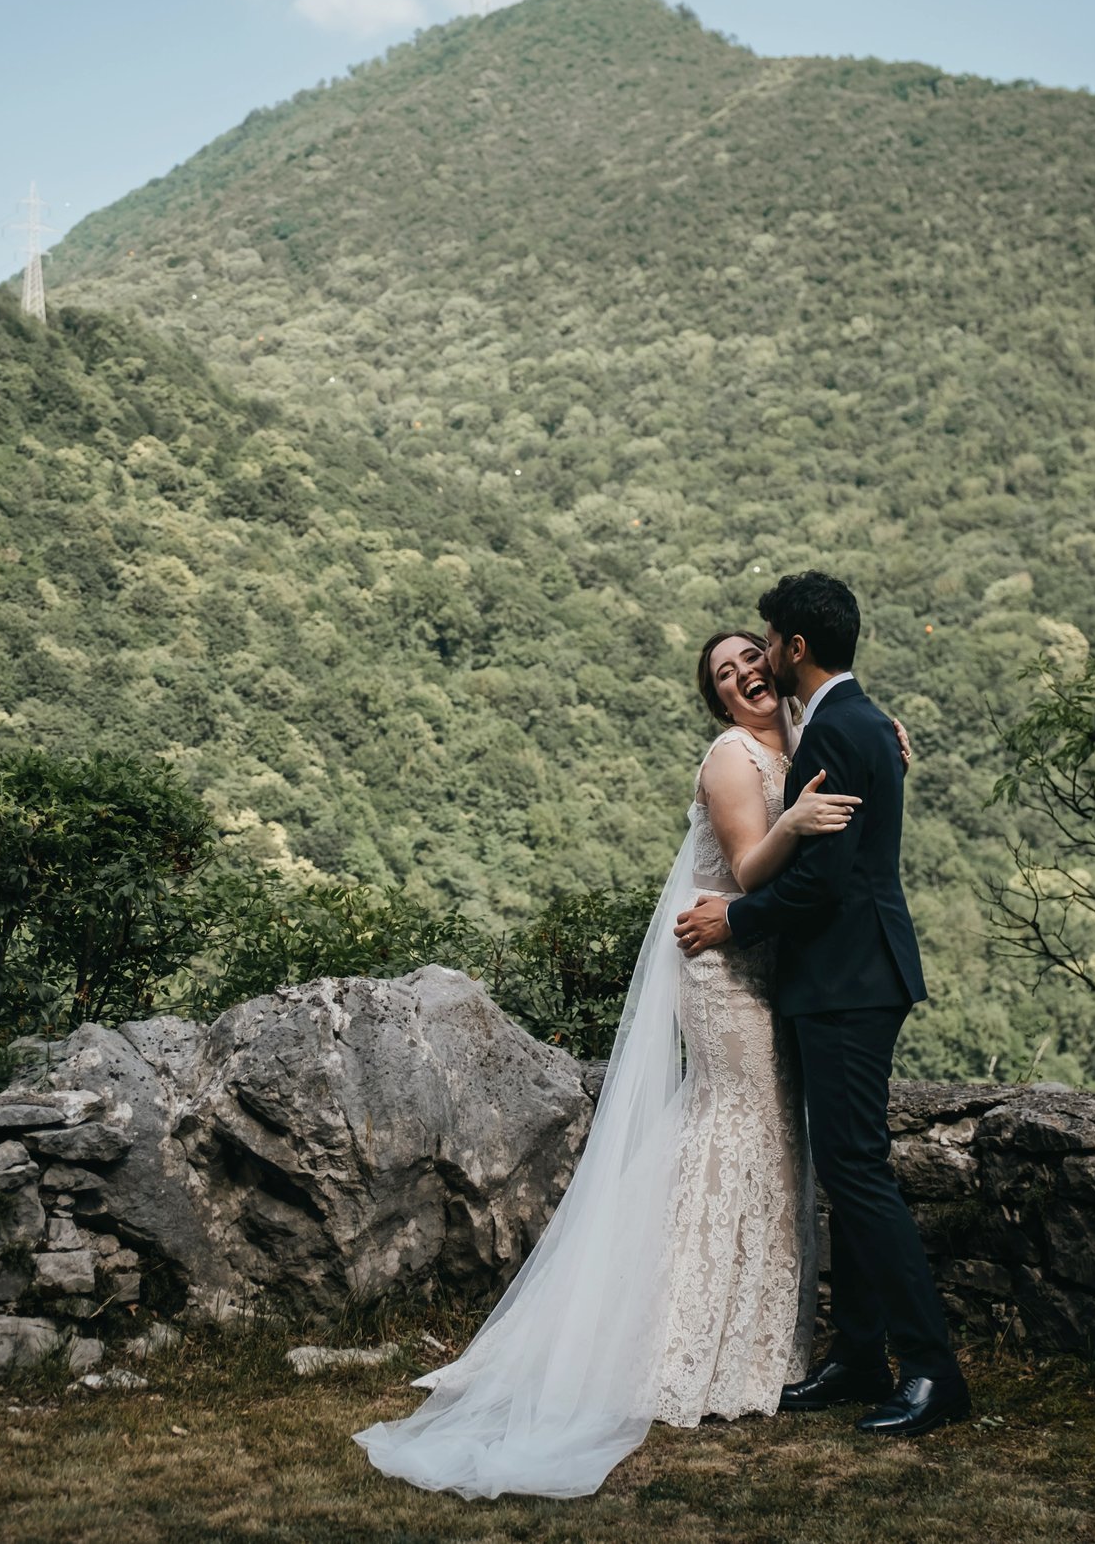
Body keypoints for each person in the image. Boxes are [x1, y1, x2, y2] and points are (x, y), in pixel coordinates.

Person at [353, 627, 866, 1499]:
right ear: (716, 698)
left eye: (750, 660)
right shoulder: (732, 755)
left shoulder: (805, 738)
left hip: (776, 974)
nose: (742, 675)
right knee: (732, 1130)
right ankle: (677, 1338)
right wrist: (795, 819)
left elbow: (844, 724)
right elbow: (746, 865)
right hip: (724, 972)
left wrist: (882, 738)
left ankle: (751, 1338)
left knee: (773, 1139)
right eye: (723, 673)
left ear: (778, 665)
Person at [673, 570, 971, 1437]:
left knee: (859, 1173)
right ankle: (857, 1355)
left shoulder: (837, 729)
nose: (756, 658)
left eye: (764, 644)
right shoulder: (850, 719)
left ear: (795, 649)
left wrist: (734, 918)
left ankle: (931, 1370)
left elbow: (822, 885)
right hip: (843, 978)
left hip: (846, 981)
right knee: (848, 1170)